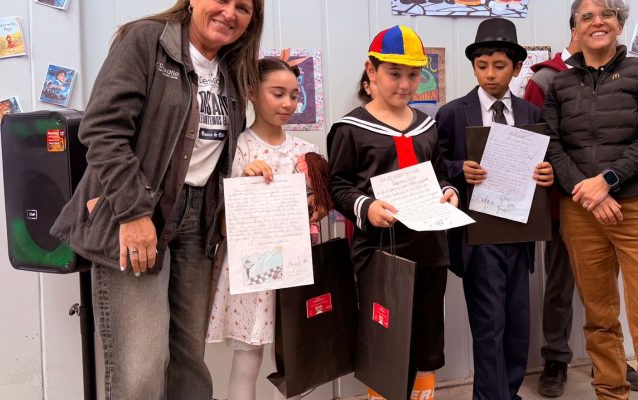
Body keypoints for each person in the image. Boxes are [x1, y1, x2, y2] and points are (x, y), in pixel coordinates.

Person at [50, 1, 263, 398]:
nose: (230, 13)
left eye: (243, 7)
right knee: (141, 370)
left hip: (197, 226)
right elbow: (102, 129)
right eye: (222, 0)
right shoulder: (146, 40)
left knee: (189, 365)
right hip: (137, 212)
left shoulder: (232, 69)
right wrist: (133, 213)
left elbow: (210, 154)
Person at [543, 0, 638, 399]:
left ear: (620, 25)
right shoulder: (560, 84)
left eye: (606, 14)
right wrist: (585, 192)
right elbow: (552, 146)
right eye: (587, 16)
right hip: (581, 213)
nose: (597, 21)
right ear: (576, 27)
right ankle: (610, 392)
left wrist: (607, 180)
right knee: (600, 319)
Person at [327, 25, 459, 400]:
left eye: (413, 75)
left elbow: (441, 174)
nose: (405, 84)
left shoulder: (427, 125)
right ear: (371, 71)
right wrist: (366, 207)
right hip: (380, 253)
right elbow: (338, 187)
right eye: (394, 73)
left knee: (427, 336)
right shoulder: (350, 129)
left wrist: (449, 193)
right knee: (385, 338)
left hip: (430, 249)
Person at [435, 18, 552, 400]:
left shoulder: (532, 115)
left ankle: (510, 391)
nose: (489, 74)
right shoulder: (453, 113)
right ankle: (490, 396)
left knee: (518, 323)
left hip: (519, 234)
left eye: (499, 66)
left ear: (517, 68)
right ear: (473, 67)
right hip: (477, 235)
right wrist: (459, 170)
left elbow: (543, 165)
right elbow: (435, 168)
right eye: (481, 66)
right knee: (489, 325)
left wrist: (547, 172)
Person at [206, 58, 330, 400]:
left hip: (295, 265)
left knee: (295, 354)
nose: (288, 103)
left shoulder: (308, 152)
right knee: (248, 355)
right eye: (278, 93)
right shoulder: (238, 149)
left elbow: (320, 210)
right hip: (253, 266)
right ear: (251, 93)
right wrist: (244, 180)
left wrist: (315, 207)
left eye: (294, 95)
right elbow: (221, 218)